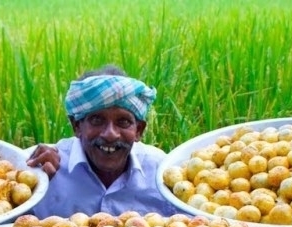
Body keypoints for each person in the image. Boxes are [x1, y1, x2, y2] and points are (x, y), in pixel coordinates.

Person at [27, 65, 179, 217]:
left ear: (139, 130)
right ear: (77, 126)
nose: (110, 135)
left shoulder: (162, 172)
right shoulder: (42, 166)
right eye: (97, 120)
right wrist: (34, 181)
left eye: (123, 122)